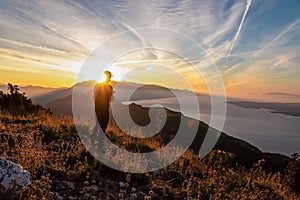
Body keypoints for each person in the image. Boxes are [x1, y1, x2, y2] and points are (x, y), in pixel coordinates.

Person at [92, 71, 113, 143]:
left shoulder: (97, 86)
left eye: (109, 77)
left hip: (99, 108)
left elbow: (94, 98)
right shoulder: (109, 87)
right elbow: (110, 100)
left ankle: (93, 141)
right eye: (109, 77)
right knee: (103, 126)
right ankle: (99, 144)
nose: (109, 79)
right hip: (104, 109)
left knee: (98, 125)